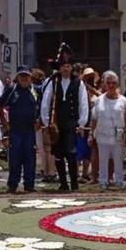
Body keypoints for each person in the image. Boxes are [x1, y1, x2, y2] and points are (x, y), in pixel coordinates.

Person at [39, 44, 90, 192]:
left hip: (72, 122)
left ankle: (74, 183)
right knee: (58, 153)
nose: (66, 69)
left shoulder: (78, 83)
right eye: (63, 66)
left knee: (71, 153)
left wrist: (81, 122)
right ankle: (63, 183)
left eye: (68, 66)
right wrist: (47, 120)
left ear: (71, 67)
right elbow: (46, 102)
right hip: (57, 123)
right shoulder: (52, 82)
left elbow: (83, 103)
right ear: (59, 68)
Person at [1, 65, 40, 193]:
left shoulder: (35, 91)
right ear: (17, 77)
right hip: (15, 130)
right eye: (21, 76)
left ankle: (29, 184)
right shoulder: (12, 90)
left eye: (26, 76)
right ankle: (12, 185)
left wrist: (39, 120)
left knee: (30, 158)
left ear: (30, 77)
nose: (24, 78)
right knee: (15, 158)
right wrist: (5, 124)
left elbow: (44, 106)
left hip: (30, 131)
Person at [91, 70, 126, 191]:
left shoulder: (123, 100)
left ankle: (119, 181)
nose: (111, 85)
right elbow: (94, 119)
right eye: (108, 83)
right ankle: (103, 181)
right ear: (104, 84)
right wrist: (91, 135)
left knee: (118, 159)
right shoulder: (99, 100)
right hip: (102, 134)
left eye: (113, 83)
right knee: (103, 159)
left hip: (118, 135)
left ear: (117, 84)